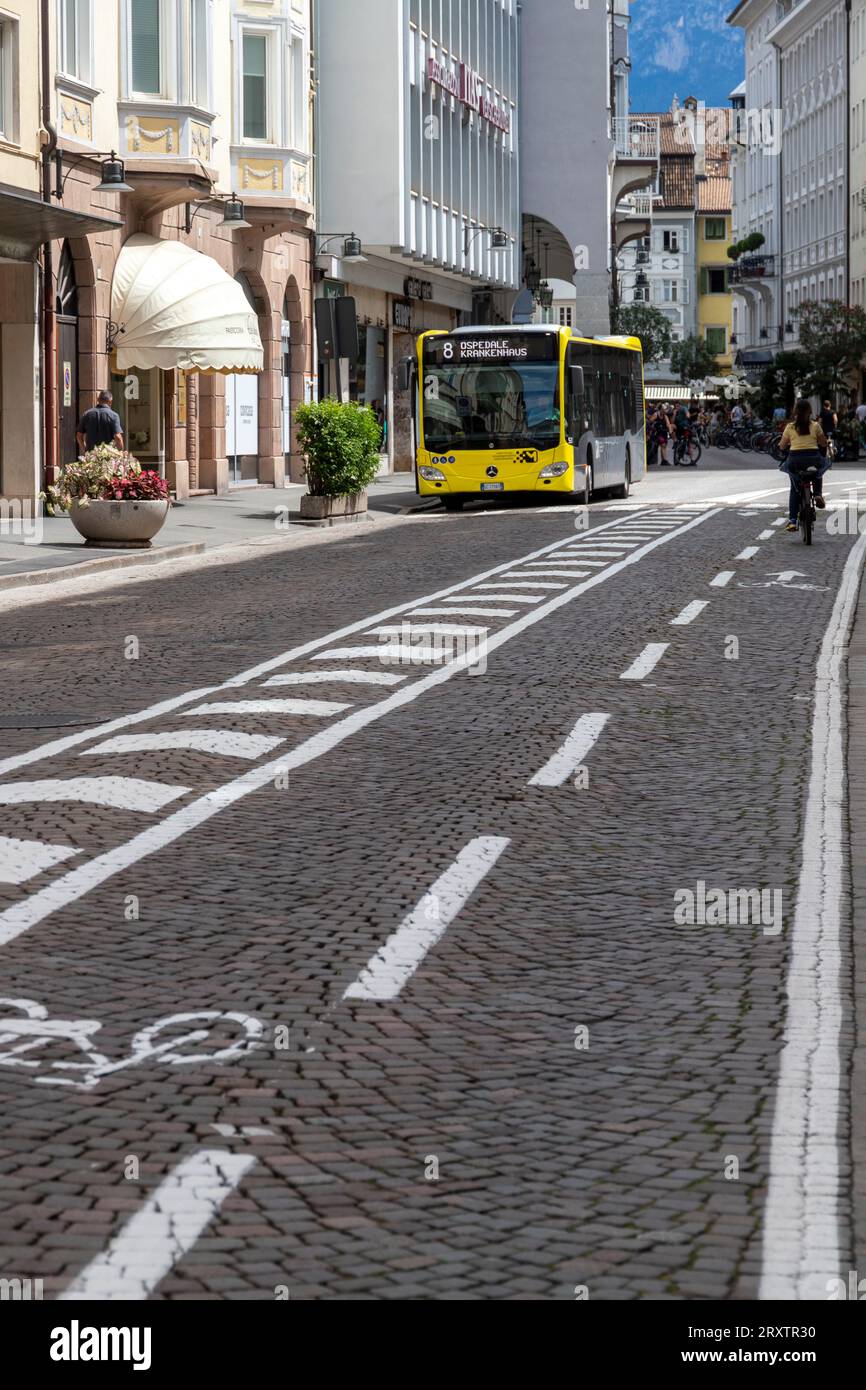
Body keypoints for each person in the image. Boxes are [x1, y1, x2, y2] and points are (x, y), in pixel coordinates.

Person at [779, 399, 829, 532]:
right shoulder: (815, 426)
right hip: (813, 458)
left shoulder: (790, 427)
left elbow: (782, 446)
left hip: (795, 459)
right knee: (819, 469)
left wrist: (786, 446)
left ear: (795, 412)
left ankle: (792, 521)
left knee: (794, 488)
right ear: (810, 412)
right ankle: (817, 493)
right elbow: (823, 443)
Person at [76, 390, 124, 454]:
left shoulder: (87, 414)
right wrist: (120, 452)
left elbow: (79, 435)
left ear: (98, 399)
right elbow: (118, 437)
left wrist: (84, 449)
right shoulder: (114, 415)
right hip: (108, 455)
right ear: (110, 402)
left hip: (91, 455)